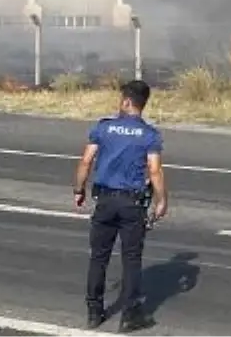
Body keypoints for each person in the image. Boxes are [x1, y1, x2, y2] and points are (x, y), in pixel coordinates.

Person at [72, 79, 168, 332]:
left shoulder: (104, 128)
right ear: (143, 104)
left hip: (104, 201)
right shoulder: (150, 135)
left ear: (126, 101)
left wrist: (79, 189)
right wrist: (161, 201)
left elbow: (85, 161)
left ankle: (94, 312)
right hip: (132, 204)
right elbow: (155, 170)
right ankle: (130, 315)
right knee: (132, 259)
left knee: (99, 258)